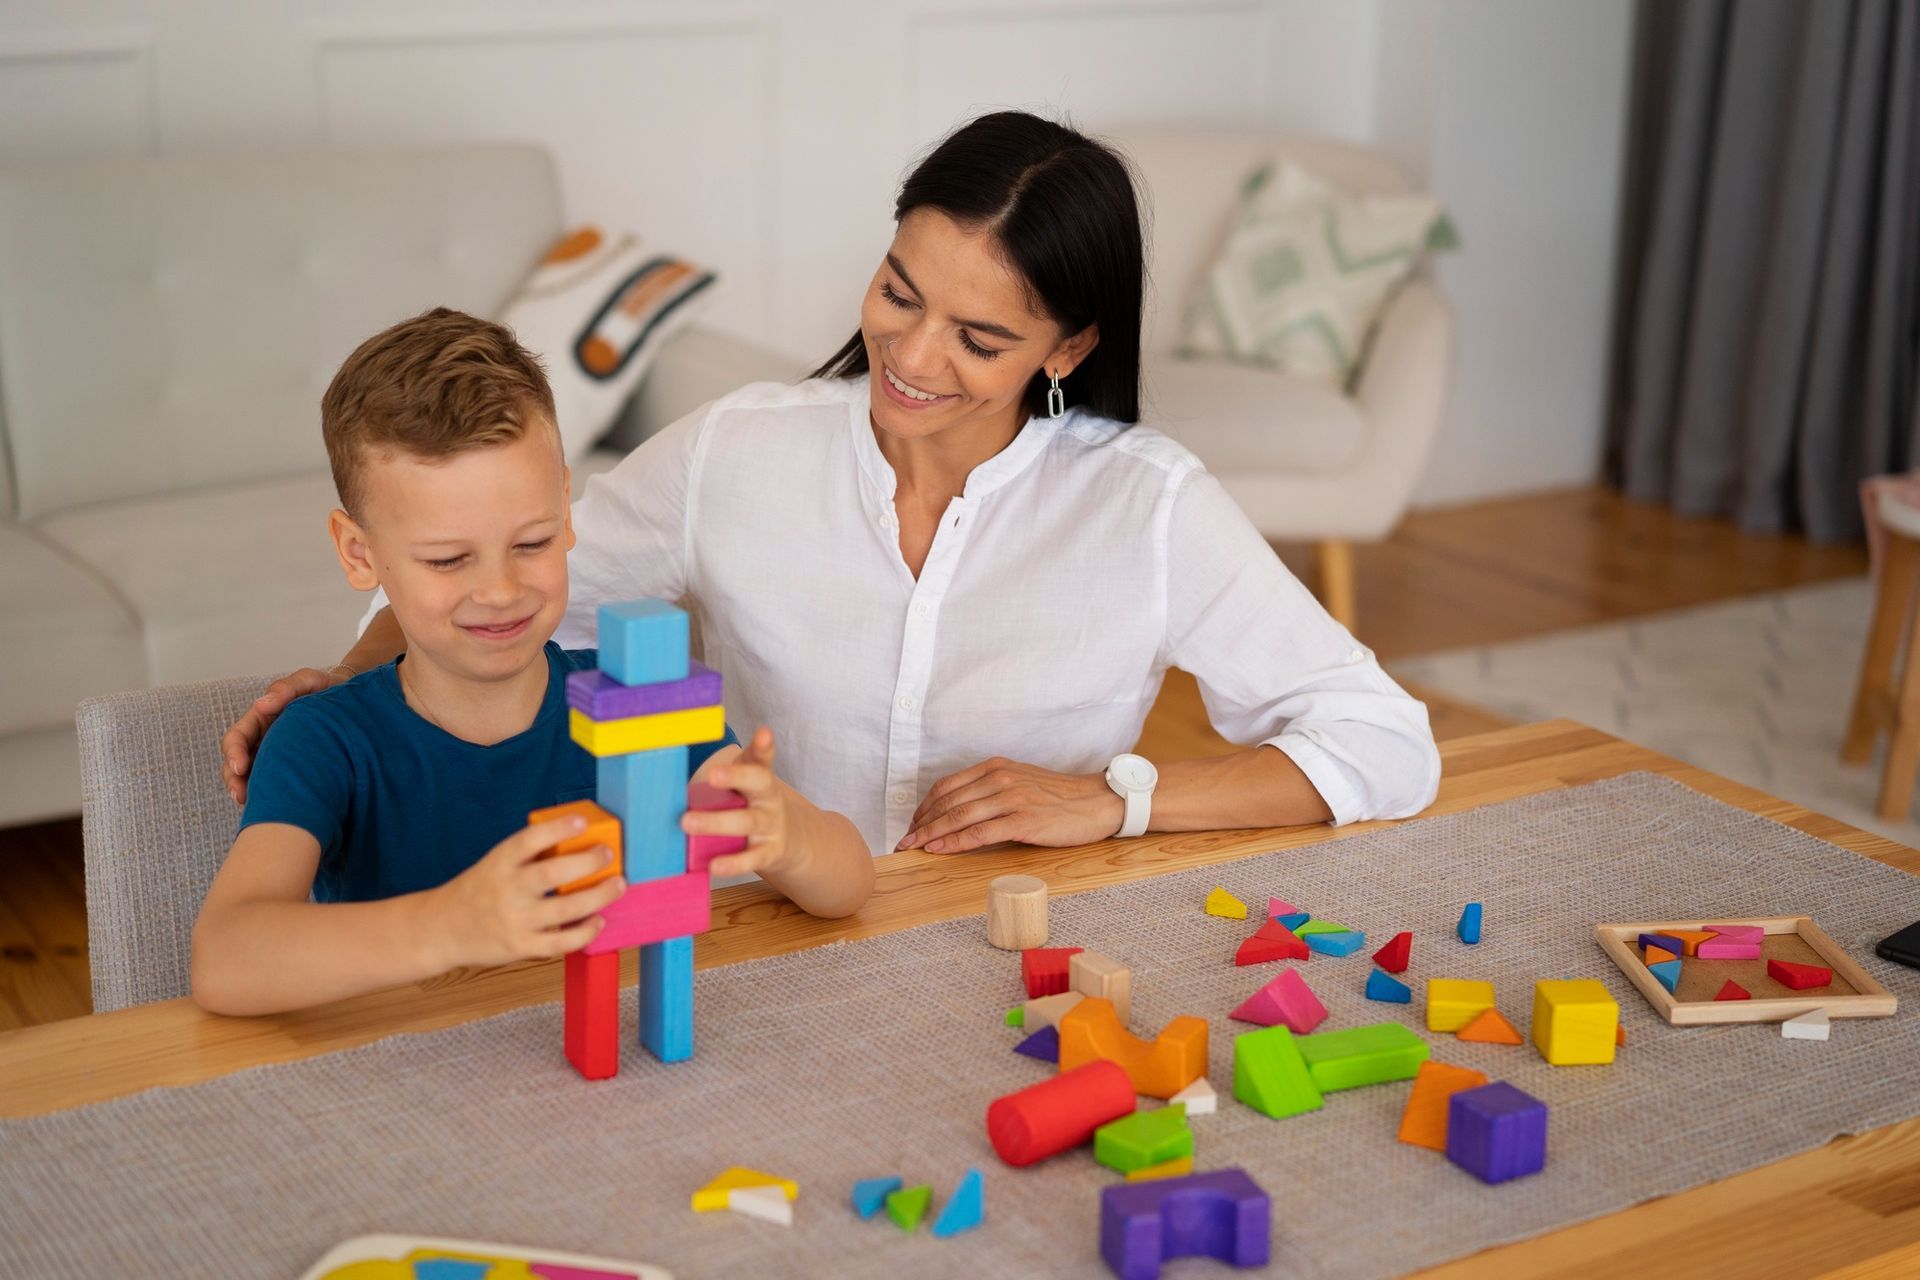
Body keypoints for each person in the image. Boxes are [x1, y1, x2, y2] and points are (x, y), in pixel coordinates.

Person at [221, 111, 1439, 863]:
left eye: (980, 337)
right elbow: (518, 586)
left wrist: (1114, 802)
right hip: (768, 937)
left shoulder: (1147, 506)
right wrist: (342, 684)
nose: (911, 358)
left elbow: (1385, 742)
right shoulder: (740, 452)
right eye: (900, 292)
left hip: (1024, 946)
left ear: (1065, 349)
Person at [191, 309, 871, 1016]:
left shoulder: (638, 697)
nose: (501, 590)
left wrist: (787, 837)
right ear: (360, 554)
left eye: (533, 542)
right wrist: (456, 923)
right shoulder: (326, 740)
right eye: (448, 559)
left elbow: (848, 883)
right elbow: (225, 959)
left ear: (567, 513)